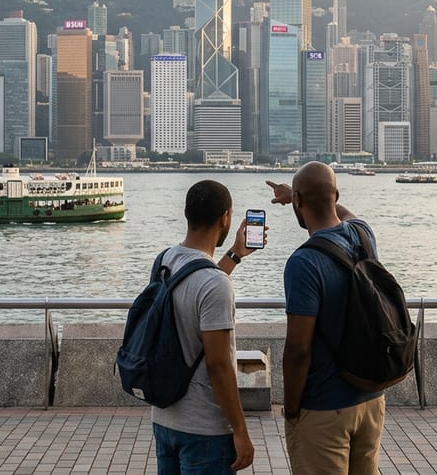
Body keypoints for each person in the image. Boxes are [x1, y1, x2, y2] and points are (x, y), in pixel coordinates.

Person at [267, 162, 385, 475]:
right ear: (336, 195)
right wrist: (303, 194)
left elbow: (298, 350)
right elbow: (343, 211)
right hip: (371, 399)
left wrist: (292, 410)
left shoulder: (304, 262)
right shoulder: (362, 234)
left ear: (298, 203)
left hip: (324, 407)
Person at [151, 180, 259, 474]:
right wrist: (240, 430)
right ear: (225, 218)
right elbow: (218, 365)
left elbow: (197, 288)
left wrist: (235, 254)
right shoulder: (214, 284)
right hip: (205, 430)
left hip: (164, 419)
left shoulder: (165, 261)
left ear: (187, 213)